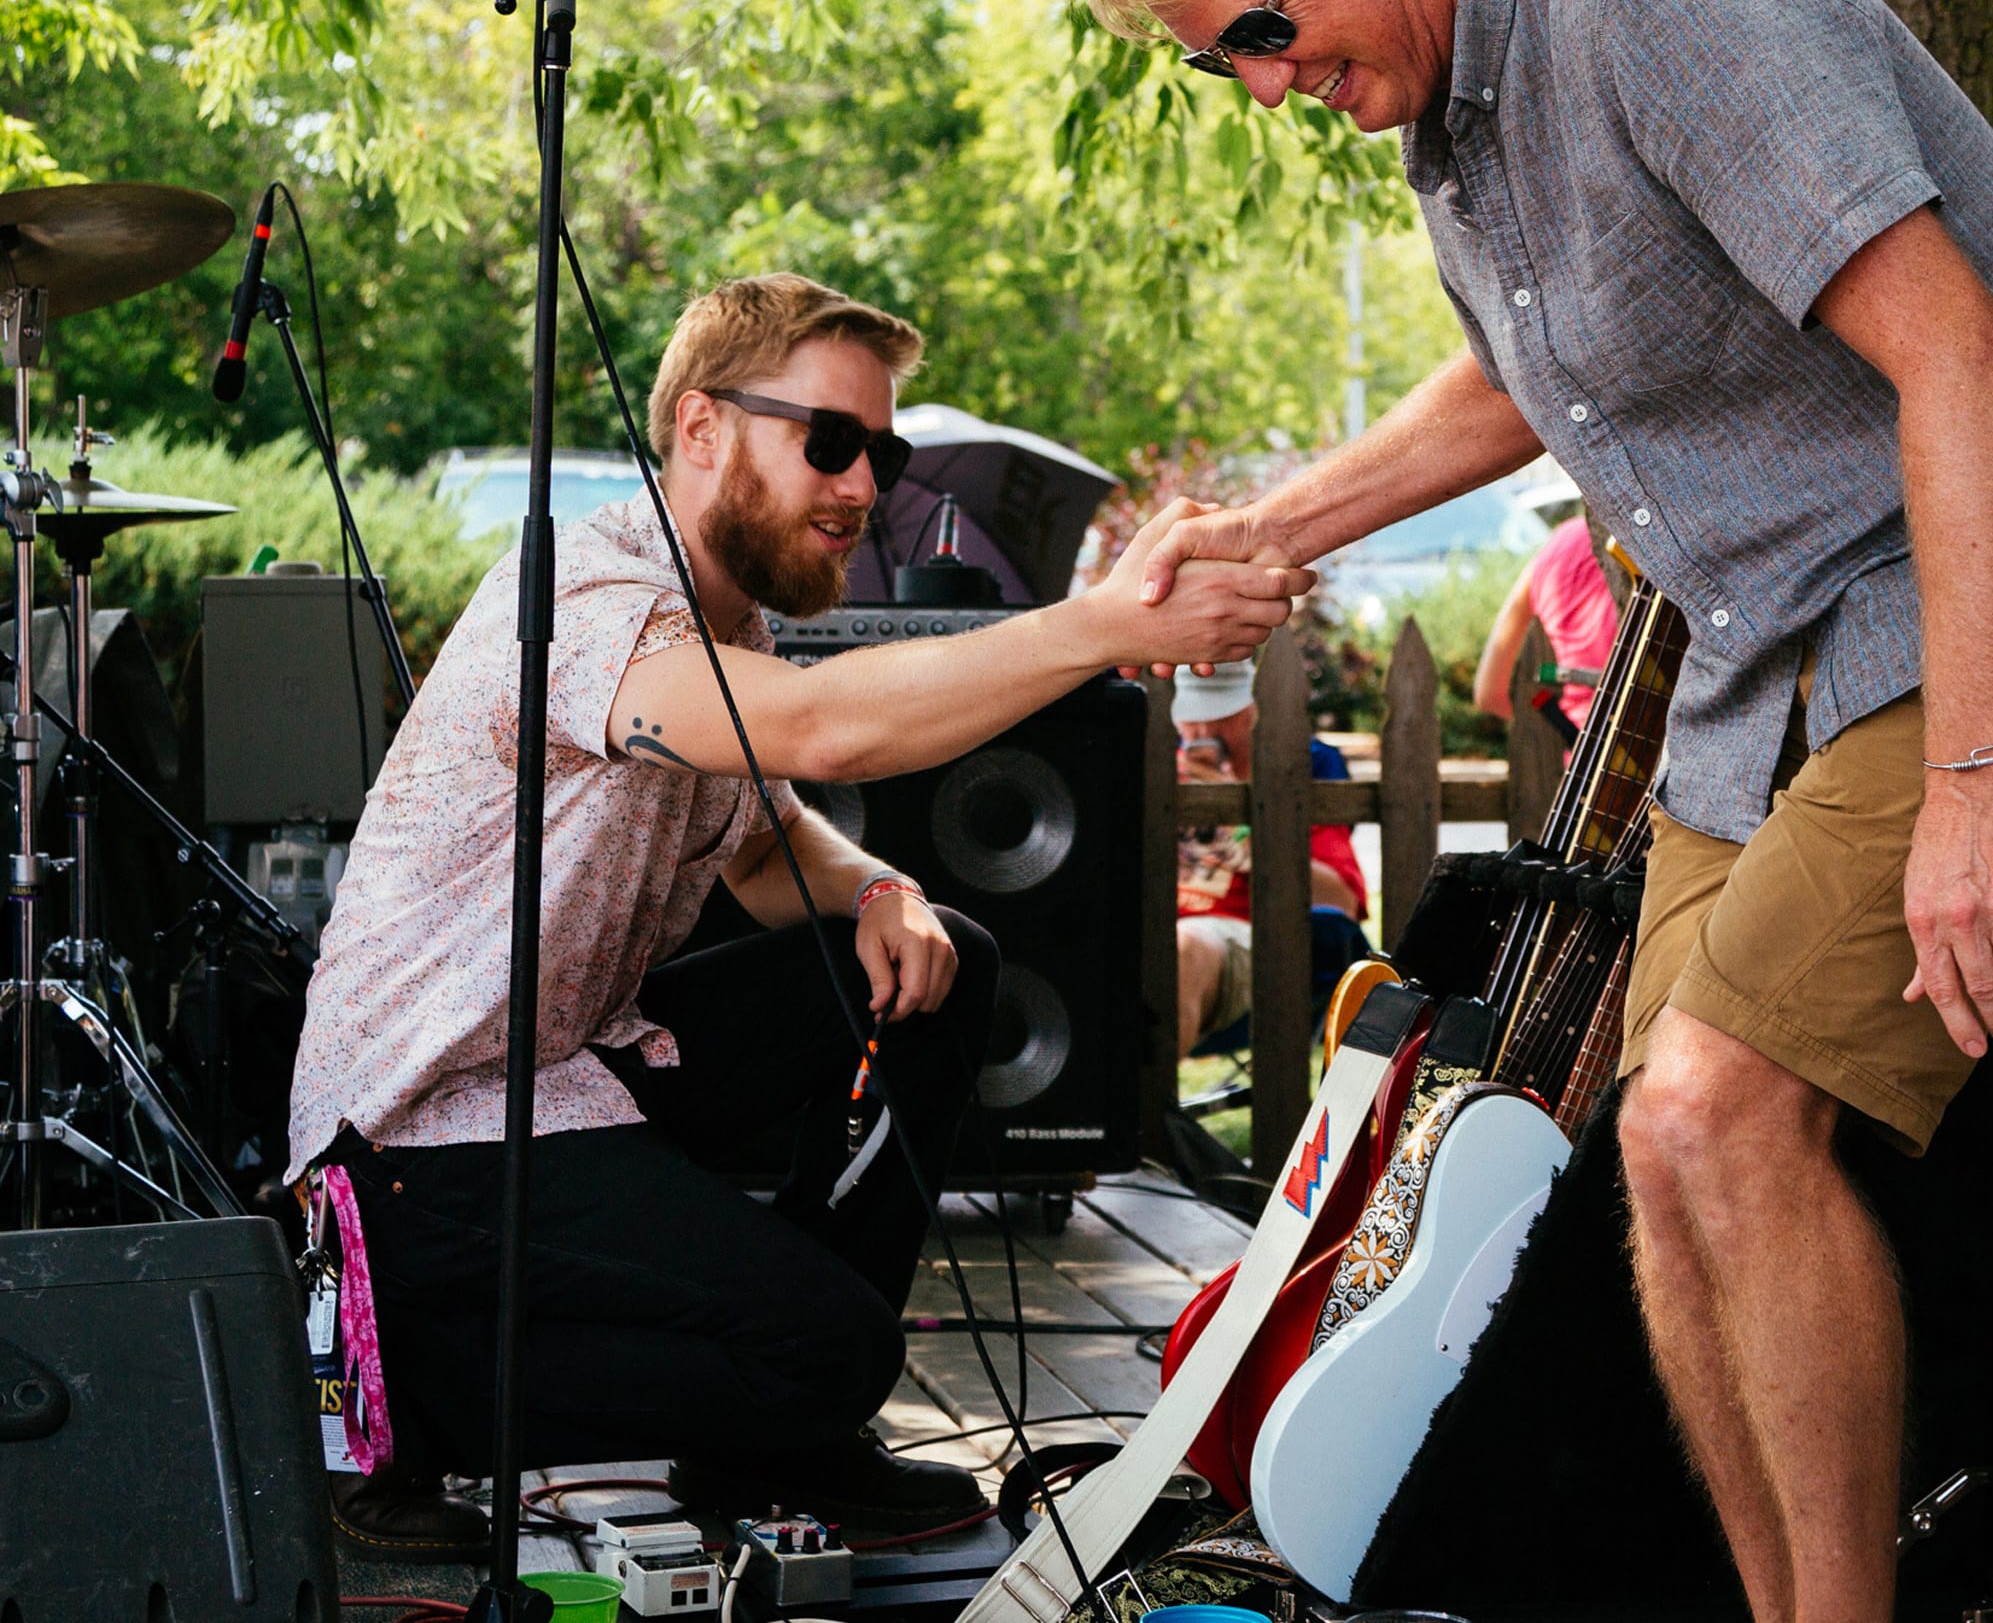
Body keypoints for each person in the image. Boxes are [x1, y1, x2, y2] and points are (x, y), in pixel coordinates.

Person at [1075, 0, 1993, 1620]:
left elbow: (1965, 359)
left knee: (1712, 1111)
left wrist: (1973, 781)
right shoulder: (1453, 119)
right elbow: (1528, 376)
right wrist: (1270, 530)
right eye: (1230, 67)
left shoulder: (1650, 1)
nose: (1273, 87)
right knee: (1658, 1160)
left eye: (1266, 29)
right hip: (1759, 640)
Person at [287, 272, 1313, 1562]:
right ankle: (394, 1399)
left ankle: (788, 1419)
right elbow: (825, 730)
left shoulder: (727, 621)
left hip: (573, 1069)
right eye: (830, 441)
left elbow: (770, 846)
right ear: (701, 427)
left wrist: (883, 890)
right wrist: (1102, 624)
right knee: (830, 1354)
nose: (864, 485)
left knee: (945, 959)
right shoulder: (585, 601)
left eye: (884, 452)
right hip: (424, 1133)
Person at [1170, 659, 1369, 1056]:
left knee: (1180, 951)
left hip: (1242, 938)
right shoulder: (1159, 767)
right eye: (1192, 719)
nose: (1205, 732)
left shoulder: (1296, 769)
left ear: (1252, 711)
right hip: (1153, 928)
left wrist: (1243, 827)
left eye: (1223, 717)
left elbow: (1342, 902)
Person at [1473, 514, 1623, 740]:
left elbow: (1488, 694)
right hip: (1658, 745)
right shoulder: (1654, 542)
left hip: (1584, 751)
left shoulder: (1557, 545)